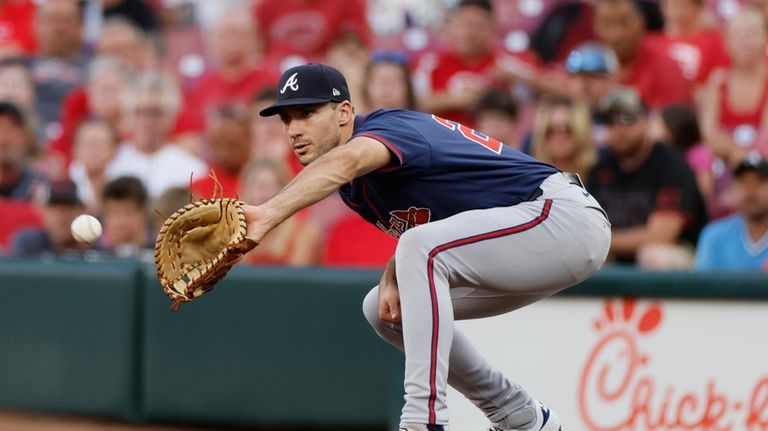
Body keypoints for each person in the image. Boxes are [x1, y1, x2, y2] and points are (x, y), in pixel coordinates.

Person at [246, 63, 610, 431]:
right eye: (286, 119)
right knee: (384, 309)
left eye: (307, 113)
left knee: (420, 247)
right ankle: (518, 414)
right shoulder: (353, 187)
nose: (294, 129)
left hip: (561, 217)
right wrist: (396, 269)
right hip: (526, 236)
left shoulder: (387, 128)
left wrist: (268, 213)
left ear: (344, 112)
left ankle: (423, 420)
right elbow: (449, 223)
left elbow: (352, 160)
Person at [587, 89, 706, 267]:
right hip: (617, 256)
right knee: (588, 258)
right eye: (610, 122)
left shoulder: (671, 165)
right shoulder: (601, 170)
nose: (620, 129)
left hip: (679, 254)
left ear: (647, 121)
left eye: (628, 119)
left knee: (653, 255)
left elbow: (662, 235)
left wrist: (600, 242)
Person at [106, 72, 206, 199]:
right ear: (127, 116)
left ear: (171, 117)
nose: (146, 121)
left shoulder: (191, 169)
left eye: (155, 112)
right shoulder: (111, 162)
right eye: (139, 112)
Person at [593, 0, 692, 108]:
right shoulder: (589, 68)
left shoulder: (666, 66)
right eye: (607, 24)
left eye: (624, 23)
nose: (617, 35)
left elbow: (675, 121)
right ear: (595, 28)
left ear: (641, 23)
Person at [239, 158, 322, 266]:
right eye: (260, 187)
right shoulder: (233, 233)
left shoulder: (304, 232)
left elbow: (296, 278)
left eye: (272, 187)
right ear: (246, 192)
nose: (265, 195)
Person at [695, 153, 768, 271]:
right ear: (733, 189)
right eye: (743, 183)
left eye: (760, 182)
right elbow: (705, 286)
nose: (751, 191)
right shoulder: (714, 236)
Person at [10, 179, 86, 257]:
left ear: (81, 211)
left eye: (69, 206)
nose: (61, 215)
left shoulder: (93, 246)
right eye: (54, 206)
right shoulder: (29, 243)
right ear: (43, 210)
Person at [530, 96, 596, 180]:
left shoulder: (600, 176)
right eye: (551, 130)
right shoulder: (531, 181)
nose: (559, 137)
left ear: (581, 131)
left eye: (567, 129)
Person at [68, 119, 120, 213]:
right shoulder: (64, 186)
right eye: (87, 144)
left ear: (114, 150)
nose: (93, 151)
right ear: (75, 149)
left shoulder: (124, 186)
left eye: (99, 144)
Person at [97, 175, 152, 258]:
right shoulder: (94, 254)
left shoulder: (161, 252)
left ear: (143, 214)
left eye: (128, 212)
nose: (121, 222)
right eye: (115, 213)